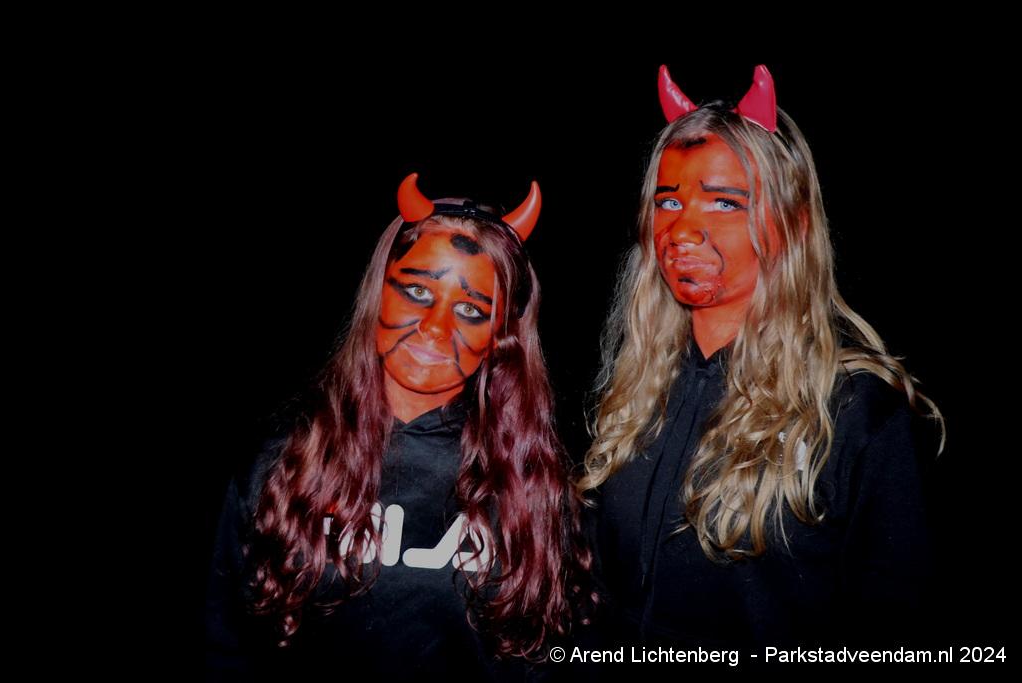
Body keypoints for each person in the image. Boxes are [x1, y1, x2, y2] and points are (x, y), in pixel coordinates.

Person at [578, 65, 945, 650]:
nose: (683, 229)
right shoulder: (636, 395)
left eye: (725, 203)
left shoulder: (857, 414)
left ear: (793, 224)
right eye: (668, 201)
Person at [206, 173, 590, 679]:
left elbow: (562, 659)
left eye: (471, 309)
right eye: (416, 290)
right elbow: (226, 644)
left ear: (501, 334)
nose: (435, 328)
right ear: (379, 291)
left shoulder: (534, 486)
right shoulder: (283, 461)